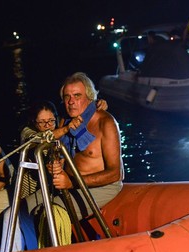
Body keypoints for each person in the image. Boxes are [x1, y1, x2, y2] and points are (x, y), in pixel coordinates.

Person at [22, 72, 123, 228]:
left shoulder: (106, 122)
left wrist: (71, 182)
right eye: (67, 97)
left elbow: (116, 174)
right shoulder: (65, 121)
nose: (71, 102)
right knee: (19, 211)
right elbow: (59, 155)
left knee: (50, 214)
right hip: (67, 184)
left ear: (89, 97)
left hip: (99, 187)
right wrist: (54, 165)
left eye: (77, 96)